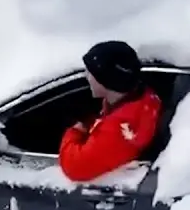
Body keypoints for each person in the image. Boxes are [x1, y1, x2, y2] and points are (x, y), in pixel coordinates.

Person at [58, 40, 162, 183]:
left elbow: (74, 166)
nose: (86, 76)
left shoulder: (119, 130)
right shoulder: (137, 99)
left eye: (91, 72)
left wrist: (76, 130)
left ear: (107, 81)